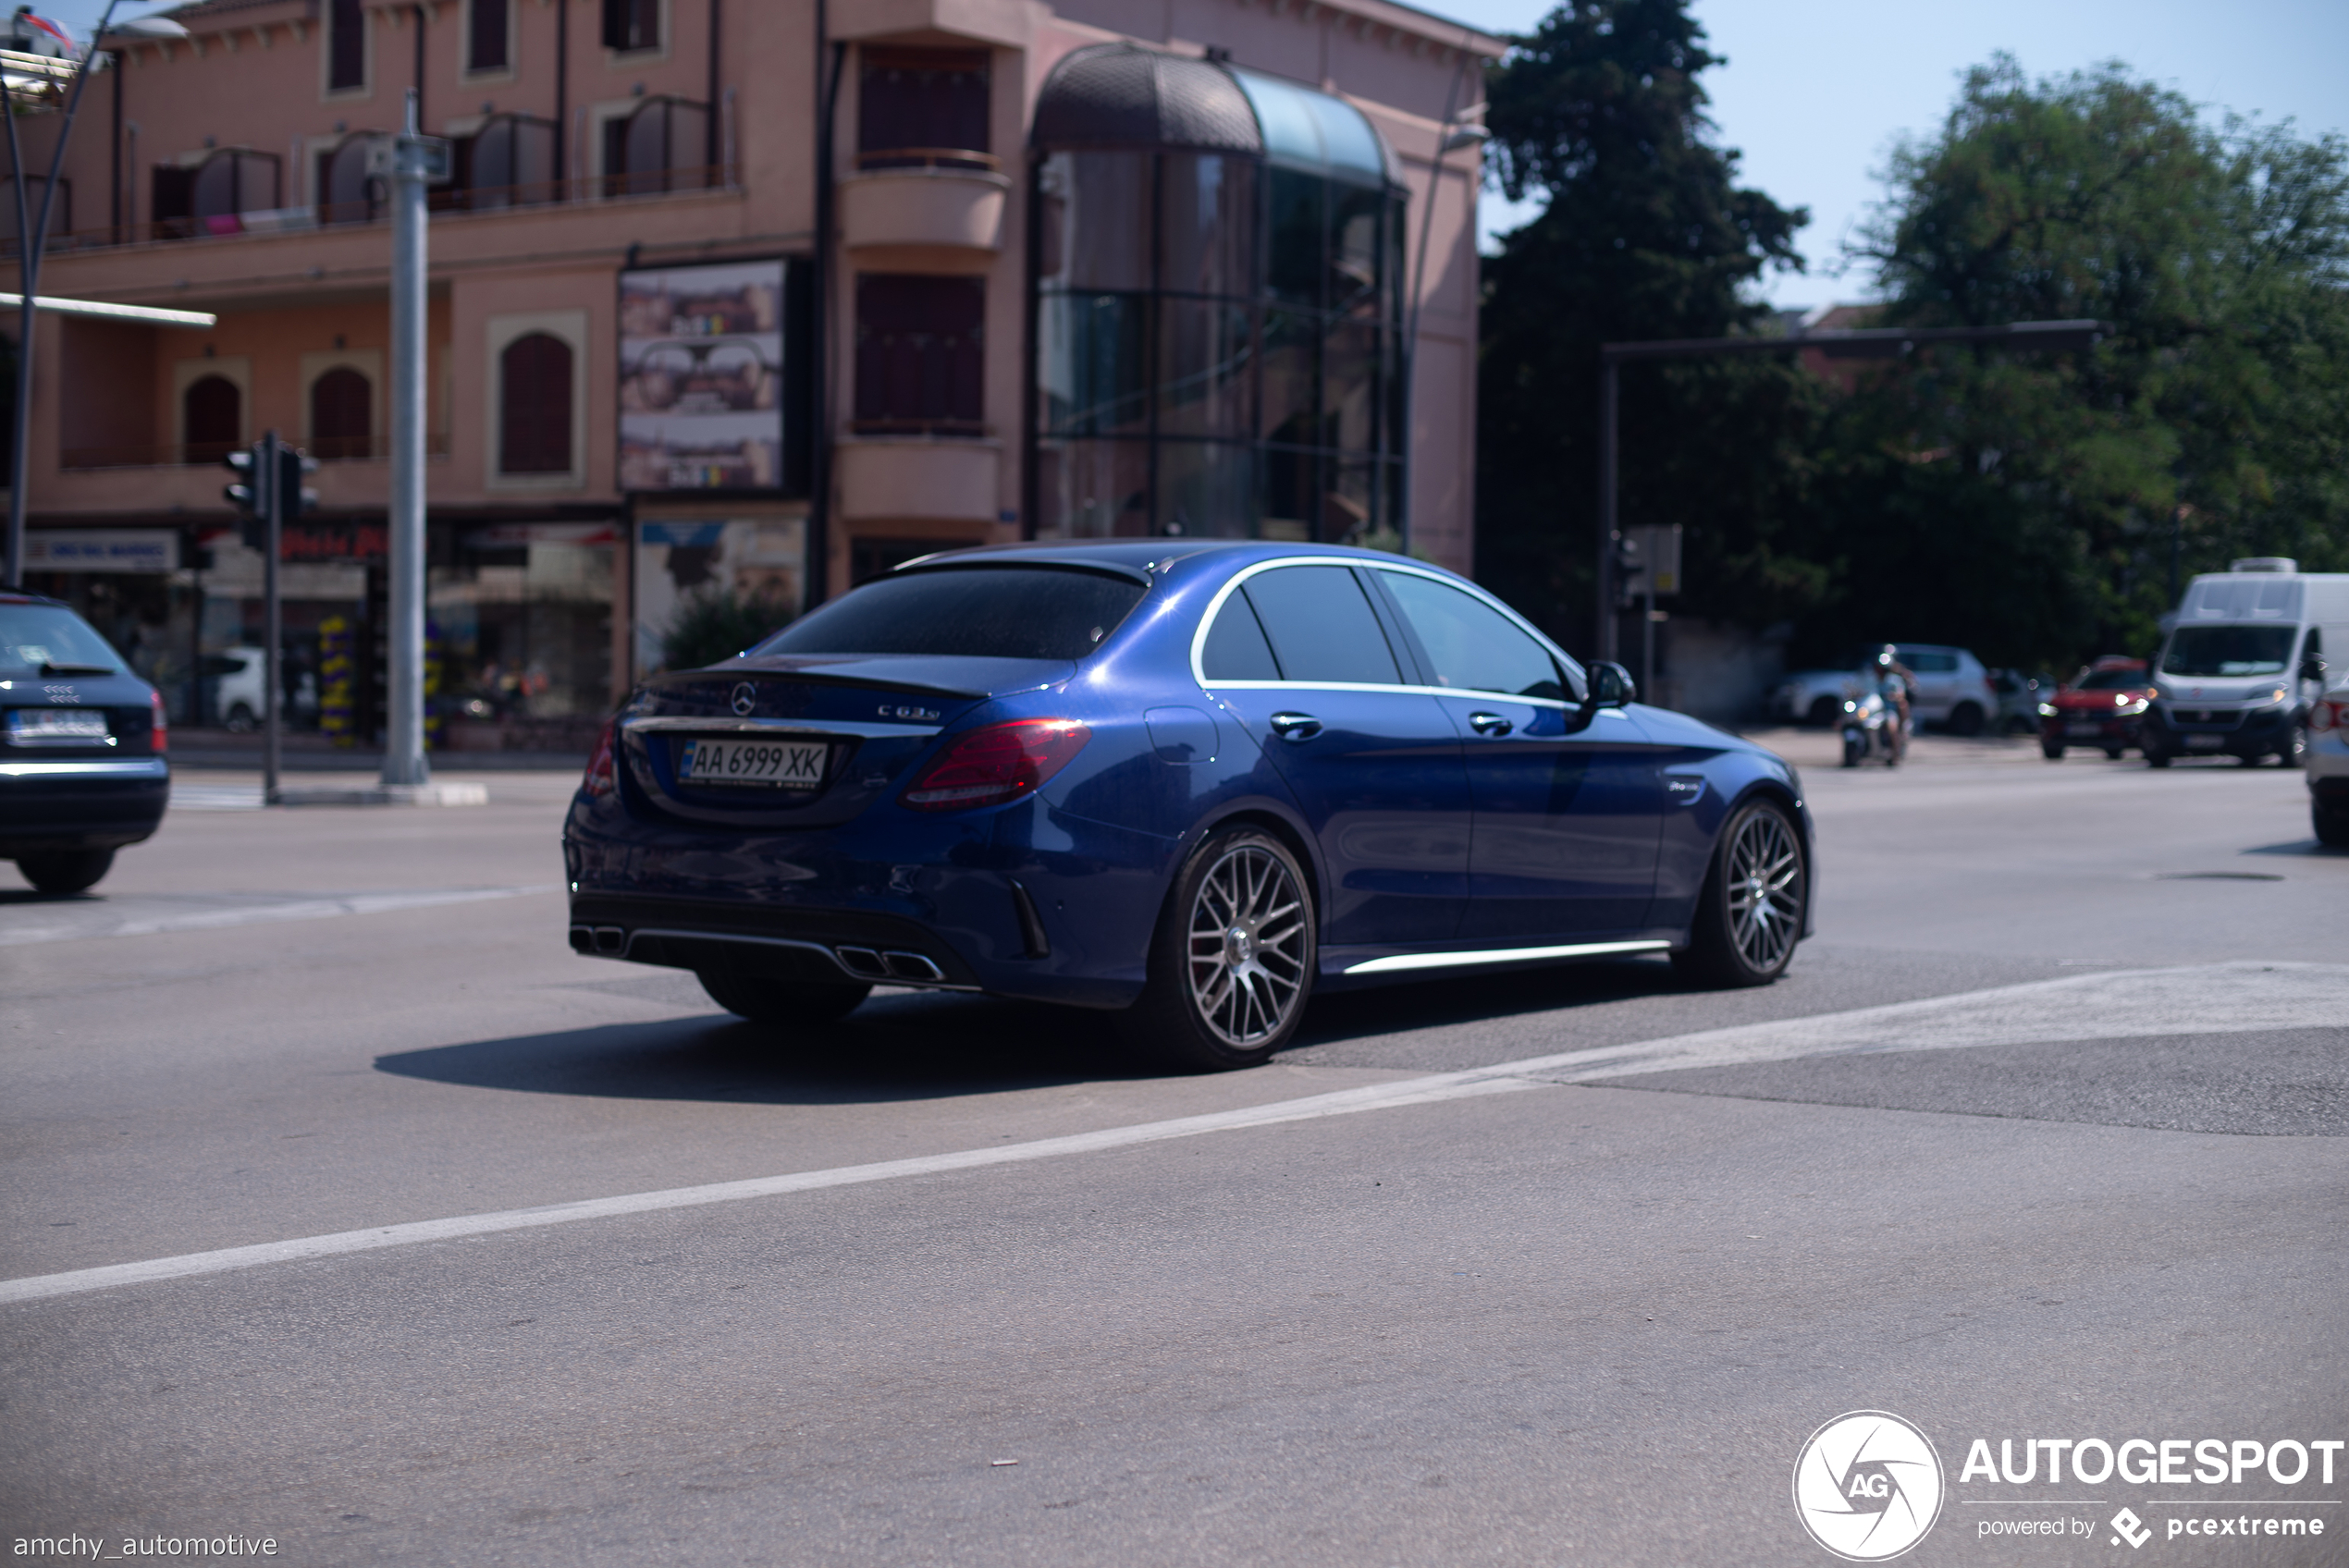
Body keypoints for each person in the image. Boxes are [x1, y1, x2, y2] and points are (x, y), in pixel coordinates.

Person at [1870, 644, 1916, 765]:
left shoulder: (1895, 678)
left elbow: (1901, 694)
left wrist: (1894, 696)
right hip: (1874, 710)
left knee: (1892, 727)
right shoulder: (1872, 679)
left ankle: (1895, 754)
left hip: (1889, 710)